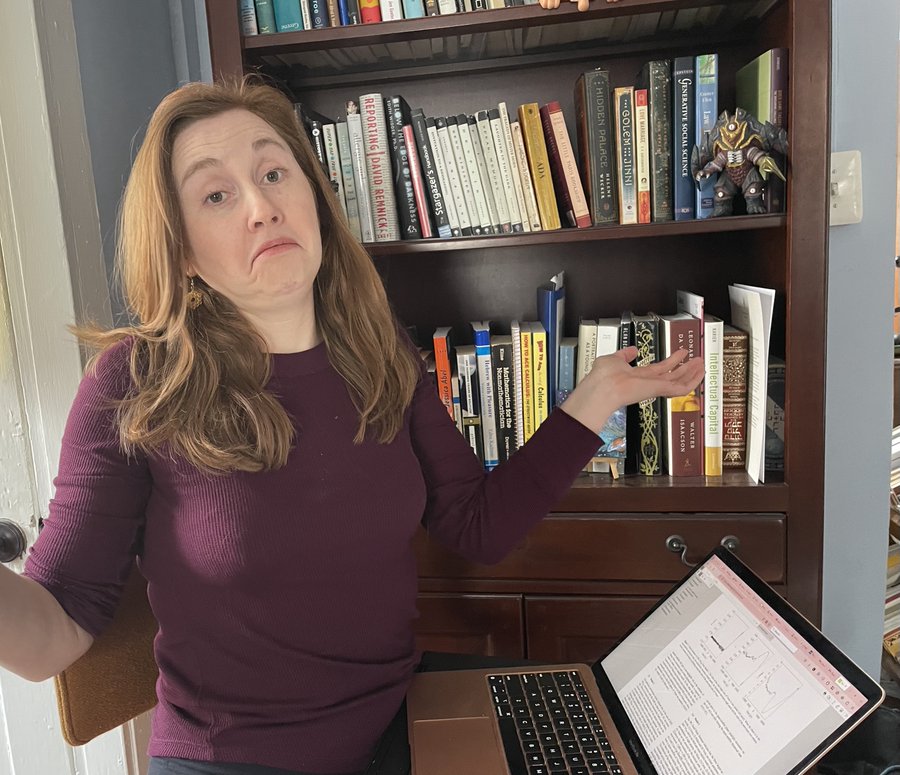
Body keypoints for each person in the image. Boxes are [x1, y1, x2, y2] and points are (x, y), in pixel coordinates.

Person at [1, 78, 703, 775]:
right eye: (216, 194)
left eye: (275, 172)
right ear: (181, 250)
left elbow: (475, 524)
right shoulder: (132, 383)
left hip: (402, 729)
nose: (262, 207)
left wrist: (597, 394)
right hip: (236, 761)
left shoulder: (377, 351)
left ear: (314, 200)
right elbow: (54, 632)